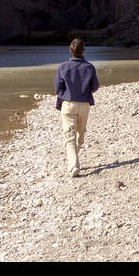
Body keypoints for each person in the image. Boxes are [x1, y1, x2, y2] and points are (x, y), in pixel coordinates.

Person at [54, 38, 99, 177]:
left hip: (68, 105)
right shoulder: (90, 67)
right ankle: (74, 162)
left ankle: (73, 165)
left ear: (71, 50)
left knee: (69, 136)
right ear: (83, 50)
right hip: (84, 104)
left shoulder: (63, 67)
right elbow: (95, 86)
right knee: (80, 134)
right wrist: (83, 92)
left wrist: (66, 94)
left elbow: (57, 88)